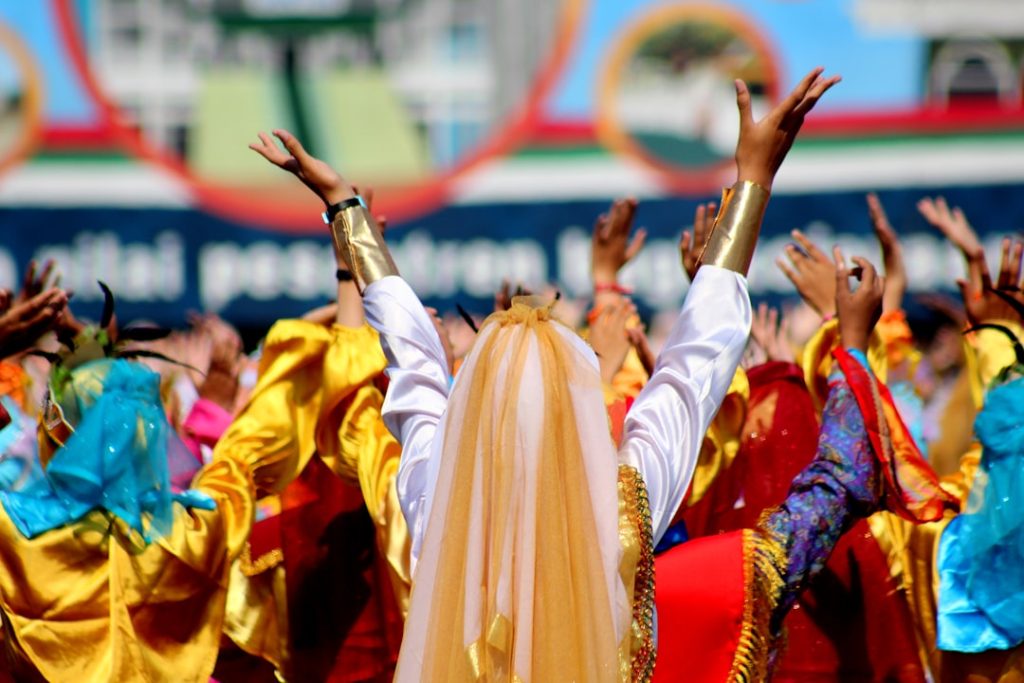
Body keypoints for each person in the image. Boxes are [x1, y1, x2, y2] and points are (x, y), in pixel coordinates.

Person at [251, 68, 841, 681]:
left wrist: (345, 210)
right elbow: (695, 368)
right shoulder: (621, 510)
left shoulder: (442, 503)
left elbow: (416, 367)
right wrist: (752, 184)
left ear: (475, 406)